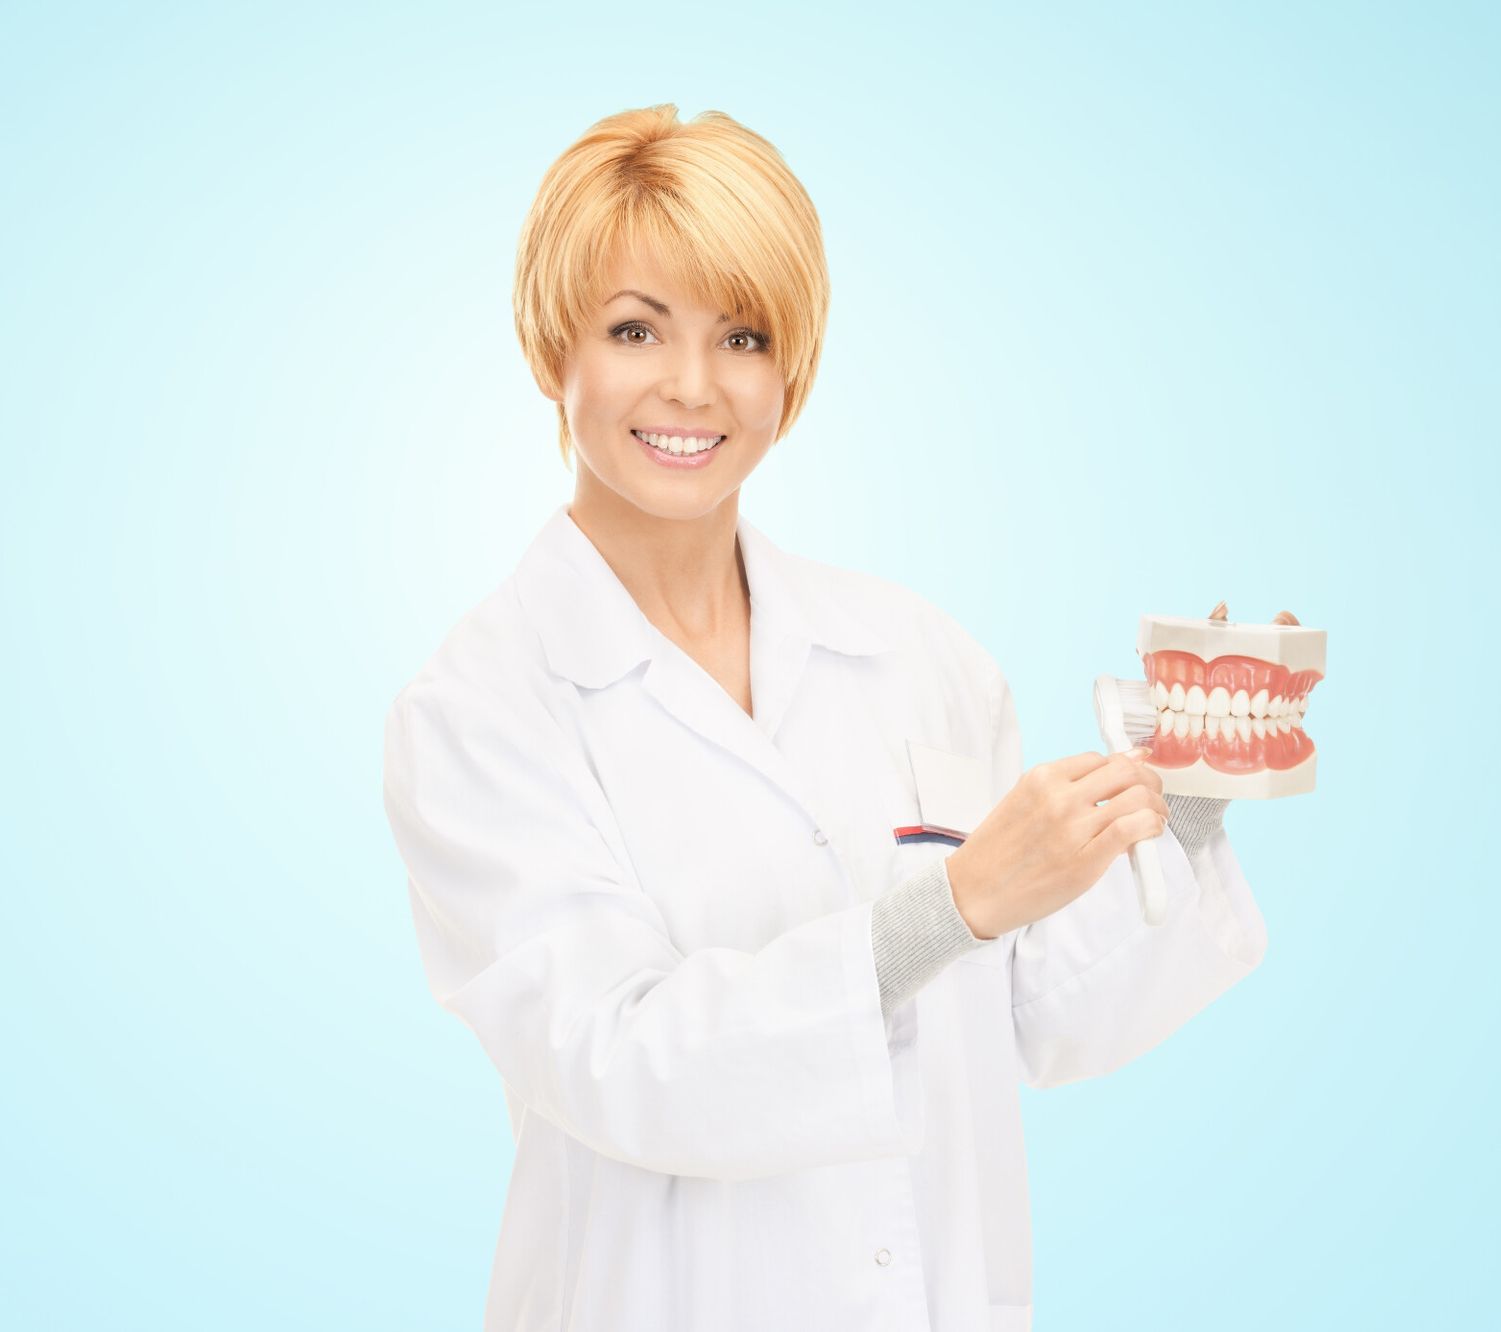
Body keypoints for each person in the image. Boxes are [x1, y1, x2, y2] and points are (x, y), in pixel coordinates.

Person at [380, 103, 1269, 1332]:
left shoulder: (915, 652)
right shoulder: (481, 712)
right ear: (553, 353)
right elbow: (623, 1063)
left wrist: (1194, 800)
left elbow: (1035, 1015)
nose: (694, 387)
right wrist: (951, 908)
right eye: (636, 329)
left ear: (789, 369)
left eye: (742, 335)